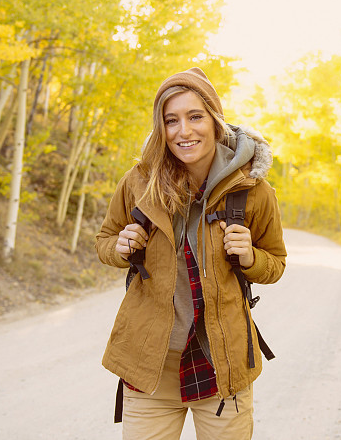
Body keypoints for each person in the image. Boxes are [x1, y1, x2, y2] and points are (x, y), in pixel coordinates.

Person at [95, 68, 287, 440]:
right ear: (160, 127)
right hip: (149, 367)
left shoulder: (254, 191)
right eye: (171, 121)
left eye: (195, 117)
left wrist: (250, 258)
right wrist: (119, 248)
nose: (184, 131)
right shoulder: (138, 182)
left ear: (215, 121)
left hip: (222, 366)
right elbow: (105, 239)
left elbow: (276, 263)